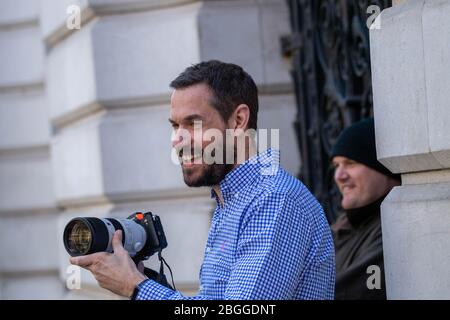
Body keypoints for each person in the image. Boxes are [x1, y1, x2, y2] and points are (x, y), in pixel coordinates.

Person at [70, 60, 335, 300]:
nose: (177, 140)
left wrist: (137, 287)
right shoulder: (232, 200)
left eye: (193, 124)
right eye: (175, 126)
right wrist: (144, 280)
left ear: (239, 120)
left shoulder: (274, 200)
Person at [330, 118, 401, 300]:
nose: (339, 175)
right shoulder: (342, 227)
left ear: (384, 168)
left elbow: (356, 291)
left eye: (350, 163)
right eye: (337, 165)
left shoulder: (396, 227)